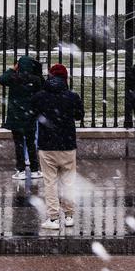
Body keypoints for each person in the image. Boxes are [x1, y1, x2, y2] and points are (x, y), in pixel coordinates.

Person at [32, 63, 84, 230]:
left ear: (50, 76)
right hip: (67, 144)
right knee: (69, 182)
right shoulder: (72, 96)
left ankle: (53, 218)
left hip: (47, 144)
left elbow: (32, 113)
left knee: (50, 183)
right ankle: (69, 216)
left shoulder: (40, 96)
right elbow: (79, 115)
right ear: (65, 78)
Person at [0, 55, 44, 179]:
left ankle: (21, 170)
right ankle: (34, 169)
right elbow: (43, 87)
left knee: (18, 144)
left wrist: (12, 69)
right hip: (30, 116)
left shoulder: (13, 78)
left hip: (16, 117)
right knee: (31, 144)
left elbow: (1, 79)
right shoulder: (35, 79)